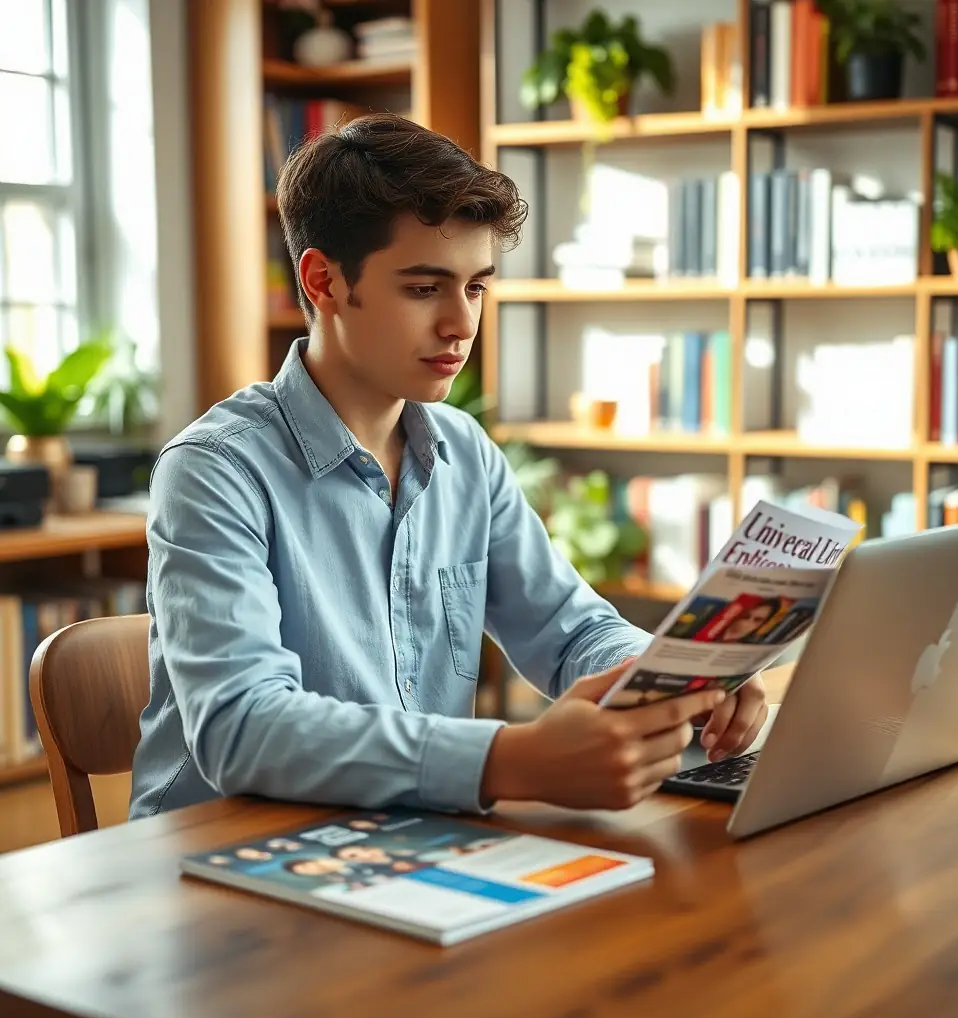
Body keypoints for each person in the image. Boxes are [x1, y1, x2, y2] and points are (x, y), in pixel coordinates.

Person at [129, 114, 768, 821]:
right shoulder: (215, 470)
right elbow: (241, 728)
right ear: (324, 281)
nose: (462, 324)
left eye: (477, 287)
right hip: (221, 862)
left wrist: (681, 677)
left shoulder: (463, 453)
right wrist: (511, 760)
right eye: (425, 288)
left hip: (403, 839)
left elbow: (570, 630)